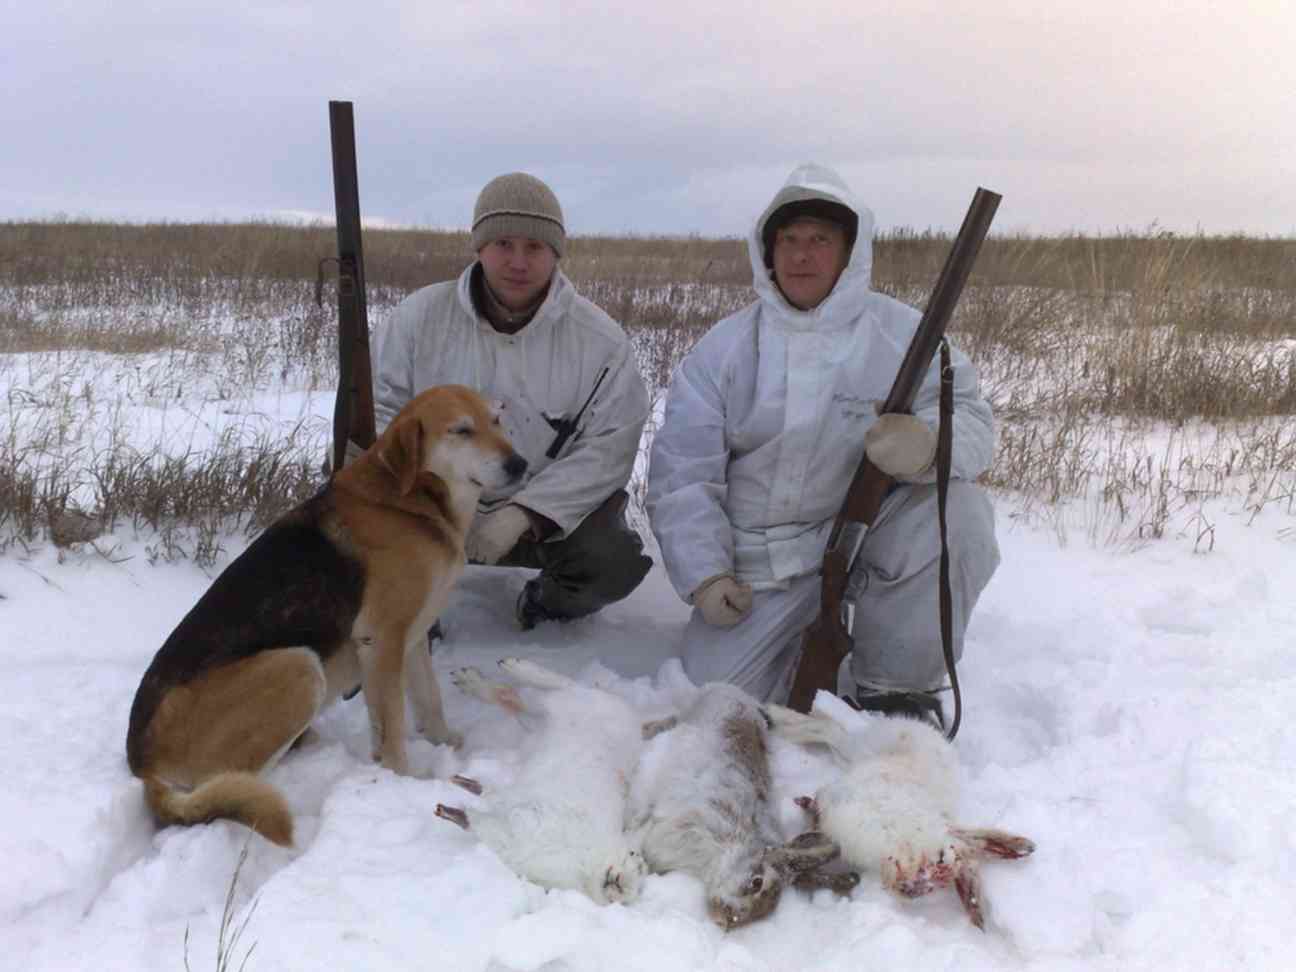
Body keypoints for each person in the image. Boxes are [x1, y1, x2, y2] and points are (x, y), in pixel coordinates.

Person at [645, 163, 1000, 723]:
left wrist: (929, 447)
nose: (801, 255)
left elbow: (976, 426)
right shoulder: (724, 349)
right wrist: (705, 574)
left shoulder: (905, 335)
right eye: (788, 240)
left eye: (819, 240)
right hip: (757, 565)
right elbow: (681, 472)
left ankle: (896, 689)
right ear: (767, 250)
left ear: (850, 251)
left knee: (960, 513)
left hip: (862, 541)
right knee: (714, 705)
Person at [365, 172, 652, 630]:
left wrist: (525, 513)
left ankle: (546, 605)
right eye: (503, 244)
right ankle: (411, 615)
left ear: (556, 252)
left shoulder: (601, 342)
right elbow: (377, 412)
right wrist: (430, 490)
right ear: (478, 246)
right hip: (428, 504)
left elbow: (609, 448)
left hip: (538, 520)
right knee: (349, 501)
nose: (518, 261)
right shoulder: (418, 318)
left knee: (612, 560)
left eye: (535, 247)